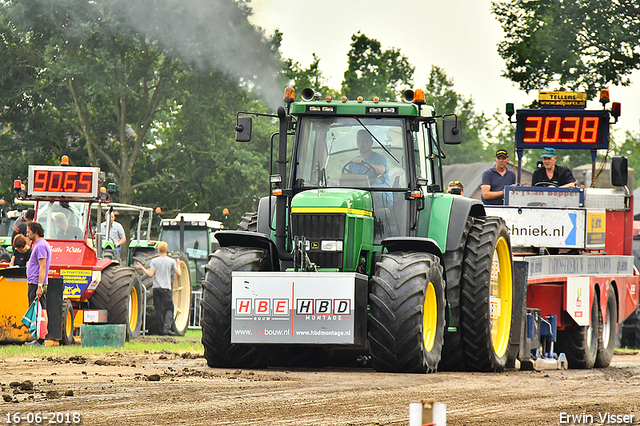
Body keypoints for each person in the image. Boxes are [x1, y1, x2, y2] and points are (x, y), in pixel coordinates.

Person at [134, 242, 181, 336]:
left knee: (158, 309)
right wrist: (178, 264)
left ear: (158, 250)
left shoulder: (154, 261)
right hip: (166, 288)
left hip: (156, 288)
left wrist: (142, 267)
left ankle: (160, 330)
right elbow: (179, 274)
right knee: (169, 308)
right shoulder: (171, 261)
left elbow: (150, 274)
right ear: (166, 249)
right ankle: (166, 328)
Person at [346, 129, 392, 205]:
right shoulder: (352, 164)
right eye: (359, 141)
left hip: (381, 199)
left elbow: (380, 170)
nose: (361, 144)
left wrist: (365, 164)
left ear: (371, 143)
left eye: (365, 141)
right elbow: (347, 182)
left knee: (371, 194)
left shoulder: (380, 158)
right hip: (360, 197)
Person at [25, 221, 52, 347]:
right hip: (35, 282)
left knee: (40, 311)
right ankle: (38, 338)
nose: (27, 233)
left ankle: (40, 339)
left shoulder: (41, 246)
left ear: (35, 232)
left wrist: (40, 286)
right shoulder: (39, 244)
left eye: (29, 231)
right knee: (40, 309)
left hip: (36, 283)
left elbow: (42, 267)